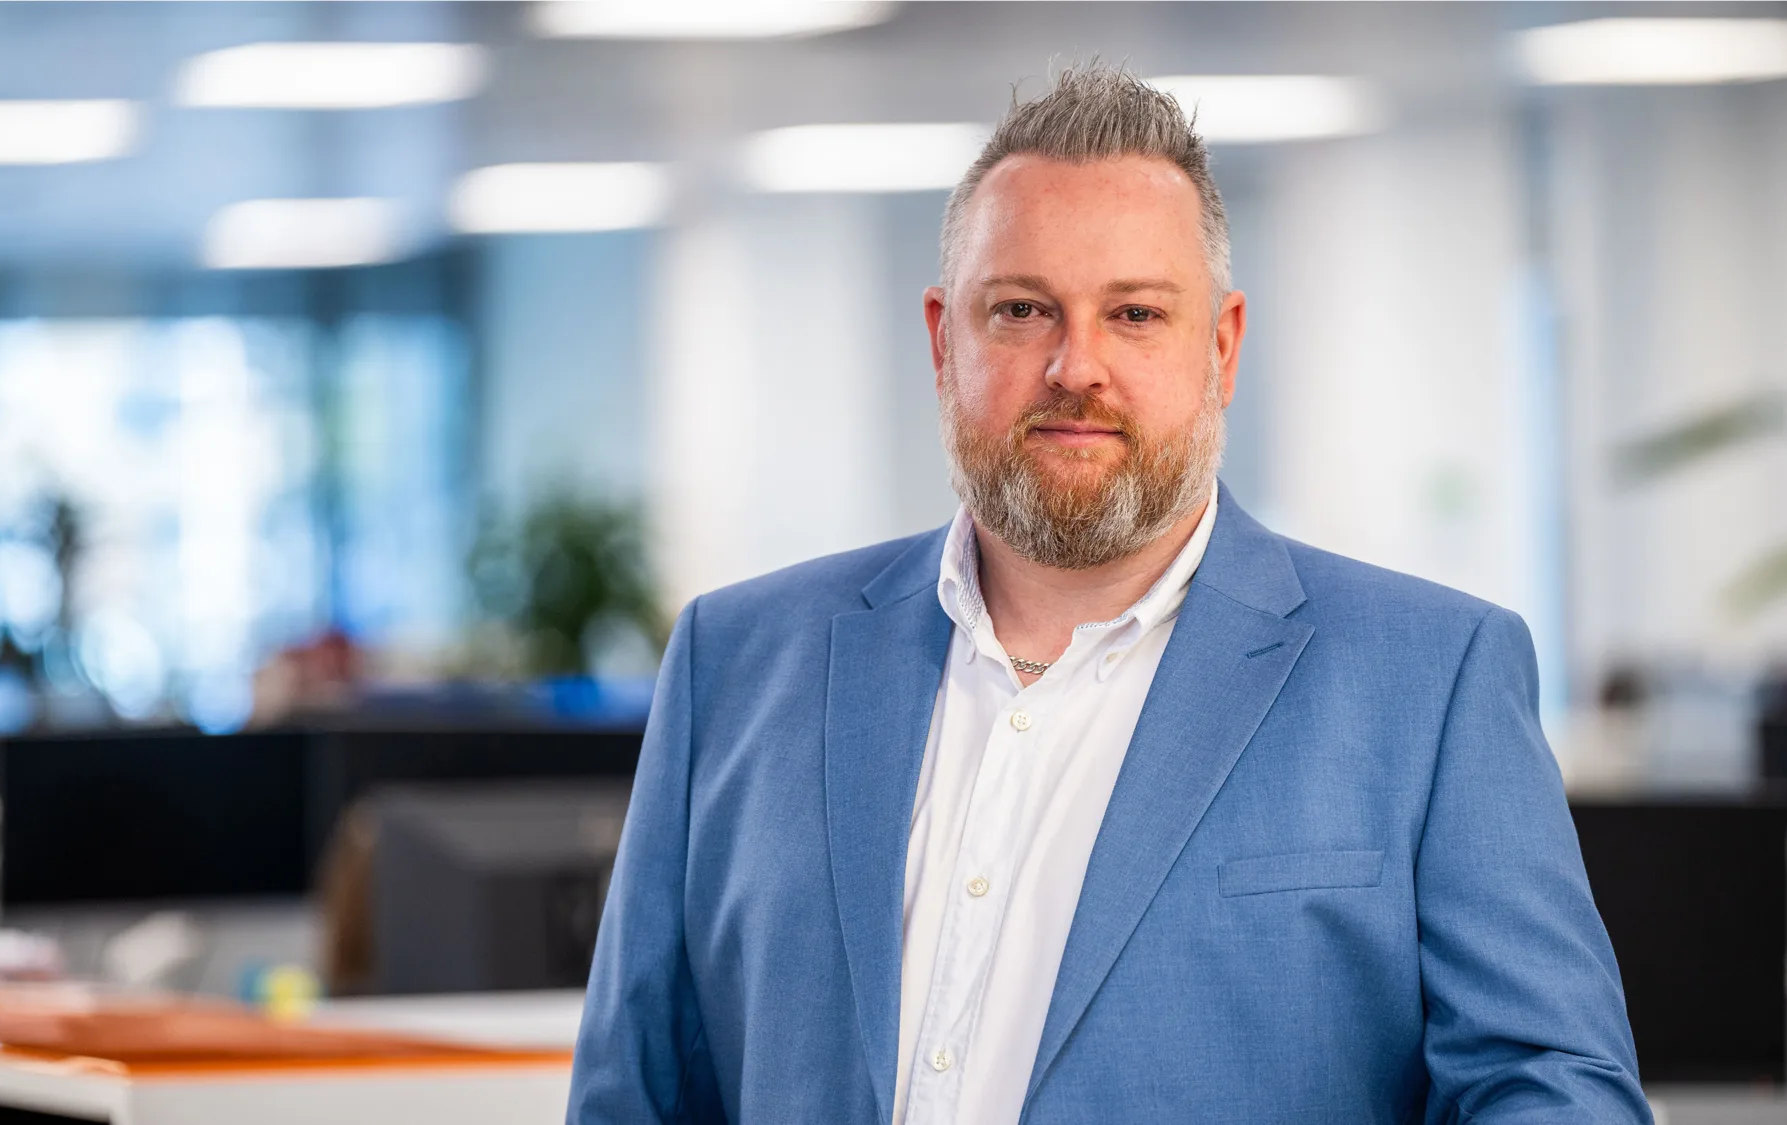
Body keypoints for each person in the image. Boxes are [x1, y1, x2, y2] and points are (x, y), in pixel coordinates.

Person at [568, 65, 1652, 1125]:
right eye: (1023, 310)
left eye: (1133, 314)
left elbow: (1553, 1091)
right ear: (943, 341)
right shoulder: (738, 663)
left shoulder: (1429, 682)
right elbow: (636, 1095)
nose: (1074, 366)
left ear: (1219, 348)